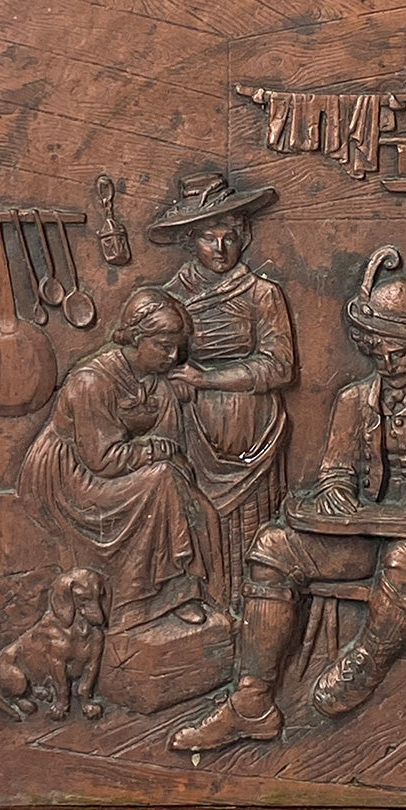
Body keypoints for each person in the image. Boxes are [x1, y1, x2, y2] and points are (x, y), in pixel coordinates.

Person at [170, 246, 406, 752]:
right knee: (273, 548)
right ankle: (251, 702)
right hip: (371, 530)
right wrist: (336, 490)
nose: (386, 362)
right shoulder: (355, 400)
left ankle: (366, 663)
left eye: (397, 352)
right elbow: (336, 468)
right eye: (376, 351)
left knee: (405, 561)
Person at [18, 288, 225, 632]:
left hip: (123, 468)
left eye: (177, 347)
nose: (173, 356)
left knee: (193, 502)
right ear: (135, 338)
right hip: (71, 477)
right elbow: (102, 459)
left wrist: (168, 416)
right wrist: (155, 453)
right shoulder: (92, 382)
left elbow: (173, 445)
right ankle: (140, 600)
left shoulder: (157, 381)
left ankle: (178, 593)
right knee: (161, 481)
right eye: (163, 345)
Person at [148, 173, 296, 609]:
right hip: (194, 432)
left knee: (255, 533)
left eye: (229, 236)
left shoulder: (262, 294)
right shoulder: (170, 299)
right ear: (189, 241)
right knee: (197, 524)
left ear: (244, 235)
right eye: (209, 238)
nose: (221, 248)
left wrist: (207, 379)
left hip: (254, 433)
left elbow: (280, 366)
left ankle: (259, 617)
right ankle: (203, 607)